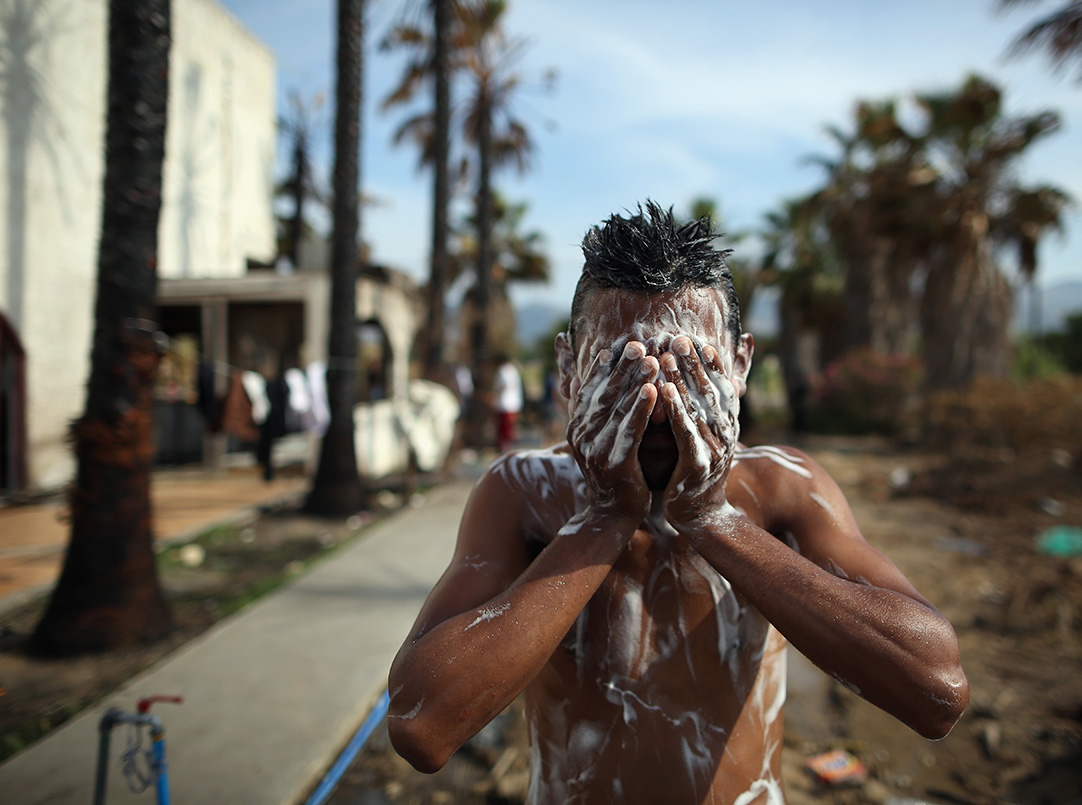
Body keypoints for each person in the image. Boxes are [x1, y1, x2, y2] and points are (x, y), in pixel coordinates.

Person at [387, 202, 968, 803]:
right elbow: (419, 724)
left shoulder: (781, 489)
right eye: (621, 367)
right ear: (568, 368)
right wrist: (605, 517)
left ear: (740, 363)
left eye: (691, 366)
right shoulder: (527, 492)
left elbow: (936, 690)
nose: (657, 400)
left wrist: (712, 518)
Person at [492, 354, 524, 453]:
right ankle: (510, 446)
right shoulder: (513, 370)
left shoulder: (503, 370)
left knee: (504, 428)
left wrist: (495, 394)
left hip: (504, 403)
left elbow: (503, 385)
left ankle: (504, 448)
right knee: (511, 427)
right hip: (514, 403)